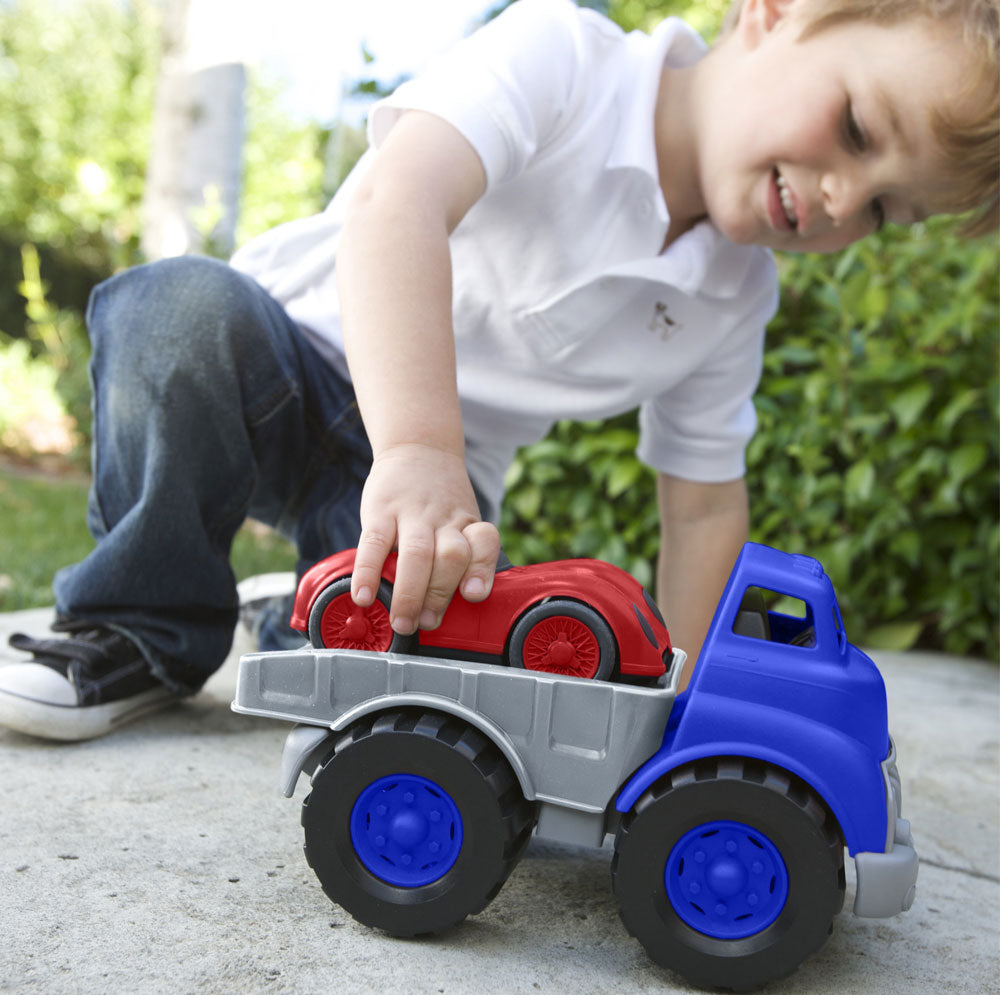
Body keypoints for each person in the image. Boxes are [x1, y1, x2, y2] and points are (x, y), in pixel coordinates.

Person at [1, 0, 996, 740]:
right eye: (861, 131)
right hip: (282, 356)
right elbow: (398, 203)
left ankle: (310, 606)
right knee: (172, 312)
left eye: (883, 212)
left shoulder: (733, 298)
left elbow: (700, 509)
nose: (839, 197)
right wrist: (420, 444)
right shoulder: (564, 56)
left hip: (432, 493)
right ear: (772, 12)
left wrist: (683, 705)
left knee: (423, 662)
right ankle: (136, 624)